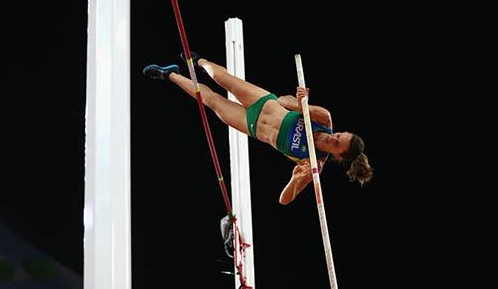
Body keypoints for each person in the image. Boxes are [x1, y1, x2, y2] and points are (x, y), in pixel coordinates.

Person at [143, 52, 373, 205]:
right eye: (339, 135)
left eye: (336, 144)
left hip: (252, 126)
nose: (333, 138)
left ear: (338, 156)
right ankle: (199, 61)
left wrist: (294, 181)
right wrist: (300, 103)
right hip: (263, 102)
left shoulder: (311, 165)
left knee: (210, 101)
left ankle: (169, 74)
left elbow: (284, 200)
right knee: (223, 79)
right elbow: (284, 101)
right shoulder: (324, 118)